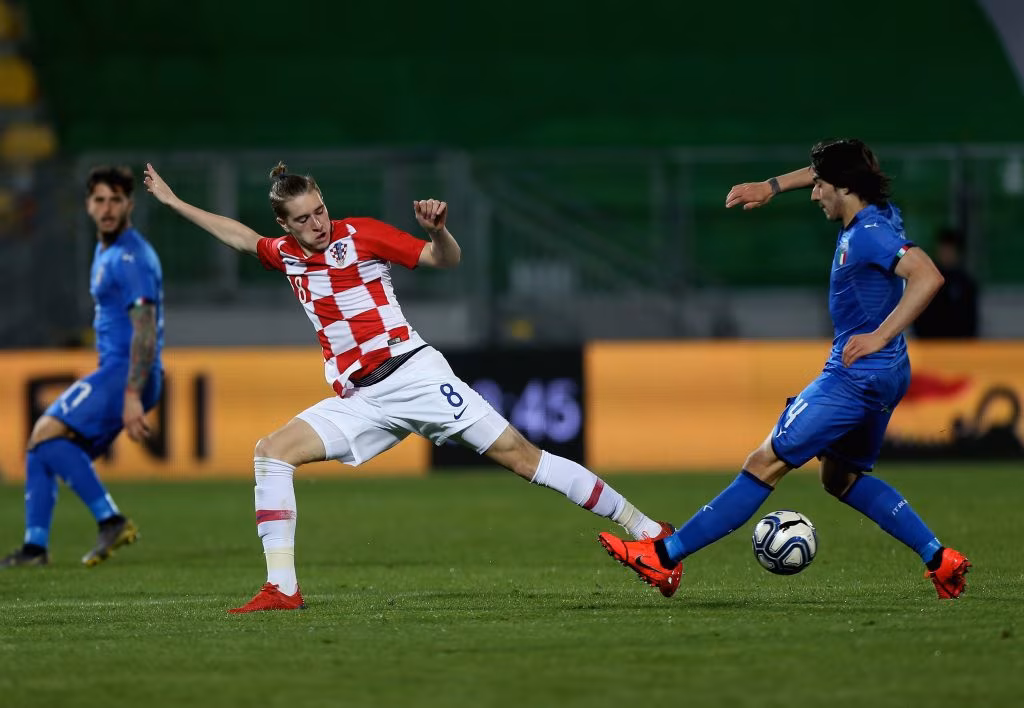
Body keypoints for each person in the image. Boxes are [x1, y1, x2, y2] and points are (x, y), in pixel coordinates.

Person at [142, 161, 677, 613]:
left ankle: (648, 530)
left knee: (522, 457)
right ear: (284, 224)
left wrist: (438, 231)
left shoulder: (361, 234)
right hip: (362, 400)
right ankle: (282, 588)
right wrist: (173, 201)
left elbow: (444, 260)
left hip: (413, 375)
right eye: (303, 219)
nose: (318, 224)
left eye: (320, 210)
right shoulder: (283, 255)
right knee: (271, 452)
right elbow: (239, 236)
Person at [597, 139, 971, 600]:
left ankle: (664, 557)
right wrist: (771, 186)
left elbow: (928, 275)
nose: (814, 194)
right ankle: (940, 559)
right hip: (887, 374)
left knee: (764, 462)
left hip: (854, 375)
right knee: (840, 479)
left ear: (844, 187)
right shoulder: (879, 213)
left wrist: (880, 334)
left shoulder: (870, 235)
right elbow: (831, 171)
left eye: (820, 186)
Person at [1, 166, 164, 568]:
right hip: (118, 371)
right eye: (99, 200)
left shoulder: (131, 257)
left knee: (45, 432)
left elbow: (145, 329)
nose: (107, 208)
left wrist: (131, 394)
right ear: (88, 205)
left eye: (115, 200)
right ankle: (35, 548)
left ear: (129, 204)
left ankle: (111, 520)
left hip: (126, 372)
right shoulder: (105, 249)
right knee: (43, 450)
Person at [913, 227, 979, 338]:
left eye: (950, 250)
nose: (947, 253)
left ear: (958, 252)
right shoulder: (927, 279)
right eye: (944, 249)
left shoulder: (965, 282)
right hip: (929, 343)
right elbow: (917, 314)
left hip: (958, 343)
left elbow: (971, 319)